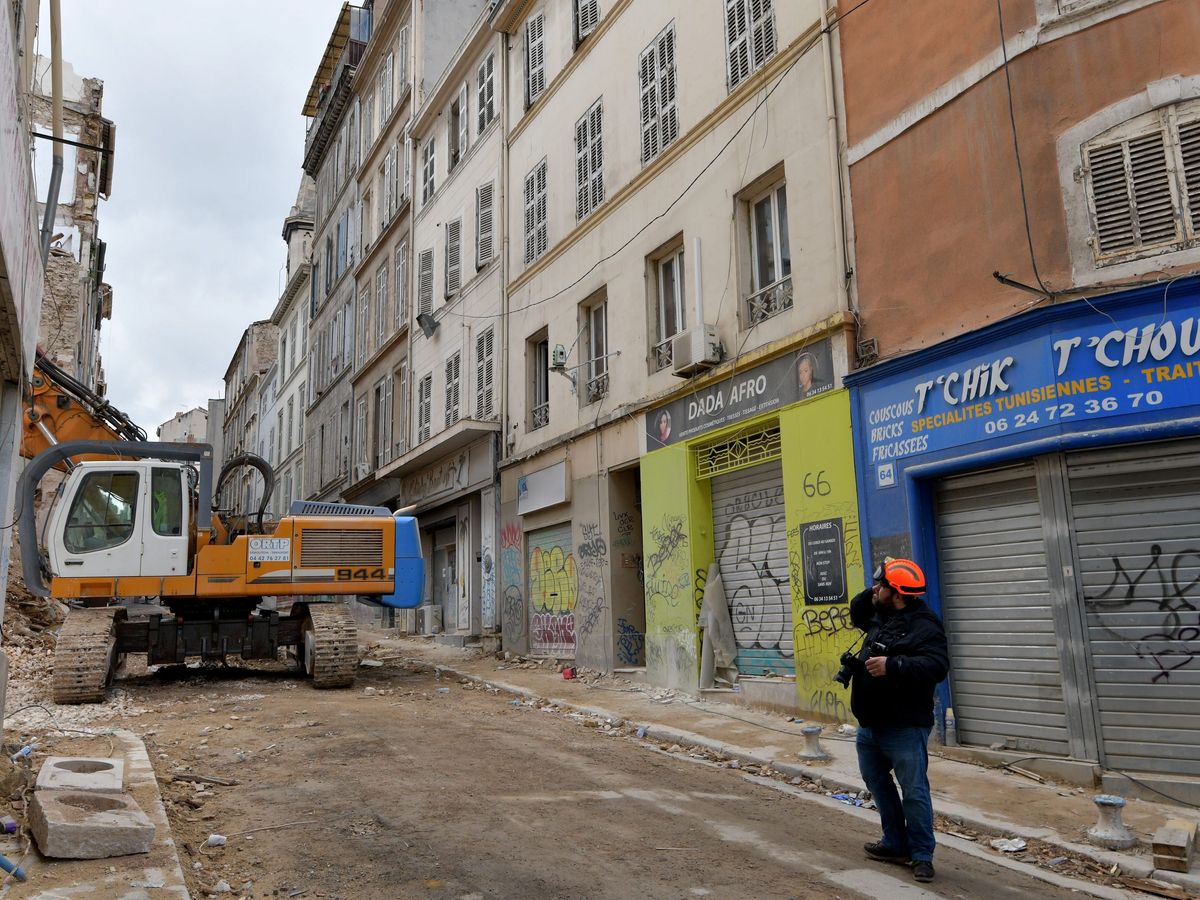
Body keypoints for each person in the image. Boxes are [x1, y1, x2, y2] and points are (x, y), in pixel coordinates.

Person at [848, 557, 949, 884]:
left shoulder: (925, 624)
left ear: (900, 593)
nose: (874, 589)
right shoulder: (881, 614)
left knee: (914, 791)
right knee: (876, 782)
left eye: (882, 585)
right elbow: (857, 610)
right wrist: (880, 582)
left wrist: (893, 665)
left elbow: (936, 666)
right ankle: (894, 842)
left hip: (904, 727)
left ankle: (921, 854)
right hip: (870, 725)